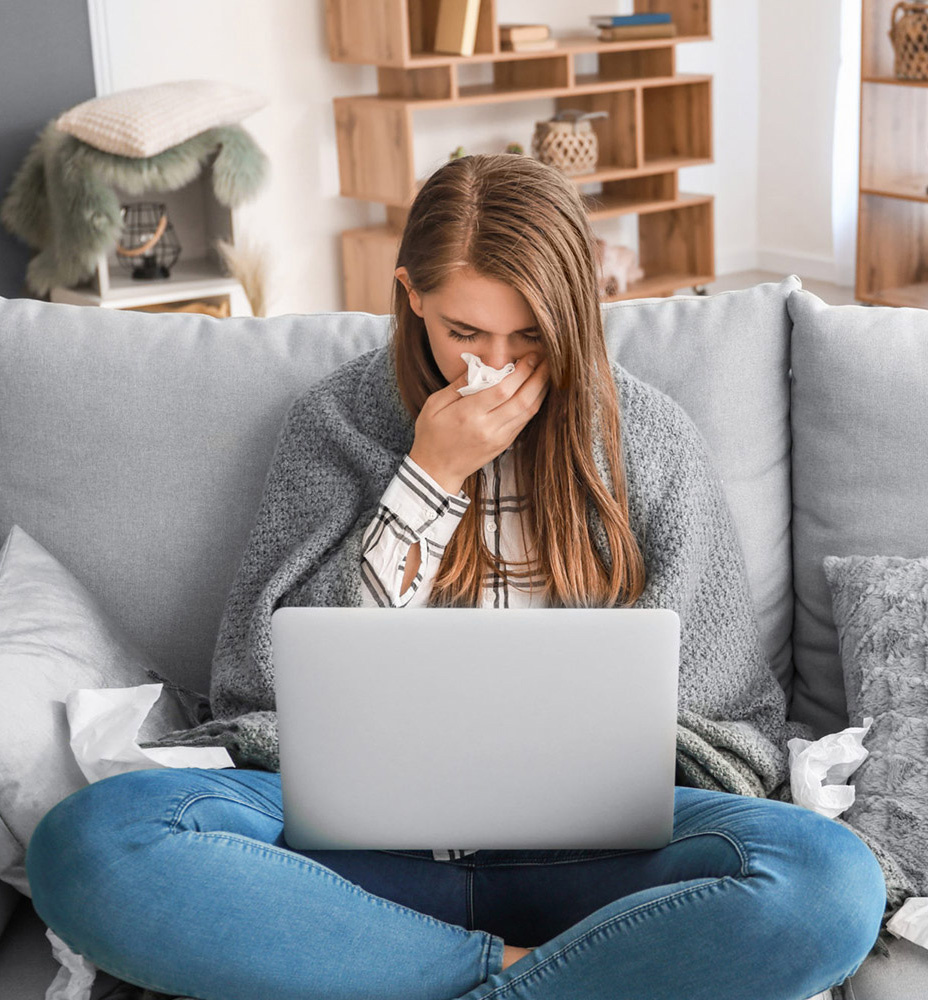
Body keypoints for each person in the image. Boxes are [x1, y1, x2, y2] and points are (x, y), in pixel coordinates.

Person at [26, 153, 887, 1000]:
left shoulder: (650, 441)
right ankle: (525, 977)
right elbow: (260, 683)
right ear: (412, 300)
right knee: (94, 845)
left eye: (530, 338)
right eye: (464, 333)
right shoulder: (335, 423)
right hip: (354, 865)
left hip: (599, 865)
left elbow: (725, 709)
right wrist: (426, 481)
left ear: (578, 313)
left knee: (829, 883)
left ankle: (418, 980)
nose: (496, 369)